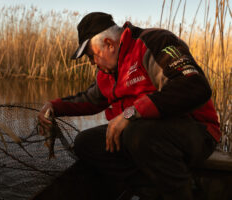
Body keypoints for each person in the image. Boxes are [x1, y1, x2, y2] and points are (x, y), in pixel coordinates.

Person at [36, 12, 220, 200]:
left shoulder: (155, 41)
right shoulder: (106, 72)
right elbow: (89, 100)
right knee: (85, 142)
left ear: (109, 44)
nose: (92, 63)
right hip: (145, 136)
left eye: (92, 56)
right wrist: (53, 106)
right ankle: (149, 187)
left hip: (197, 131)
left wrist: (131, 113)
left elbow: (195, 86)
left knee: (137, 132)